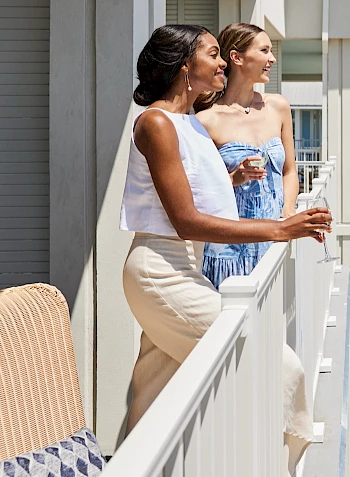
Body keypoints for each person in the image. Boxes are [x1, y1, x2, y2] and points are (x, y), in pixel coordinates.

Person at [120, 24, 329, 470]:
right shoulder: (157, 123)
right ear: (184, 67)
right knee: (279, 365)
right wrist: (279, 229)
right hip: (160, 271)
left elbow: (189, 194)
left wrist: (232, 180)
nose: (221, 63)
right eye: (213, 55)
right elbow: (185, 220)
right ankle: (279, 465)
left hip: (184, 268)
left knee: (158, 386)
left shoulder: (189, 124)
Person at [193, 23, 301, 289]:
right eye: (264, 50)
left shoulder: (278, 107)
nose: (272, 58)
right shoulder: (206, 120)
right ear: (237, 57)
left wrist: (287, 211)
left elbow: (289, 170)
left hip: (273, 242)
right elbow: (197, 191)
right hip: (229, 251)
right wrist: (233, 177)